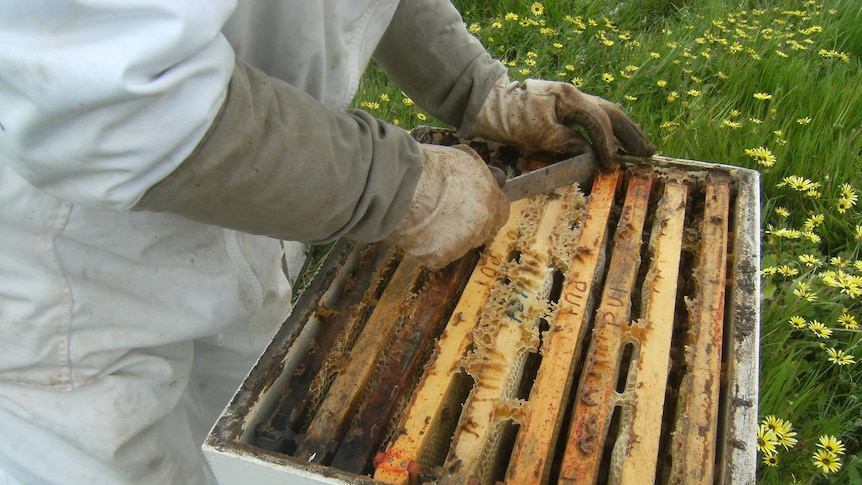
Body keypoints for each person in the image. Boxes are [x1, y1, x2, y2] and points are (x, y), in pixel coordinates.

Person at [0, 1, 654, 483]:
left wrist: (476, 88)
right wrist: (400, 186)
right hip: (71, 293)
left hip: (253, 219)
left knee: (271, 461)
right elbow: (113, 97)